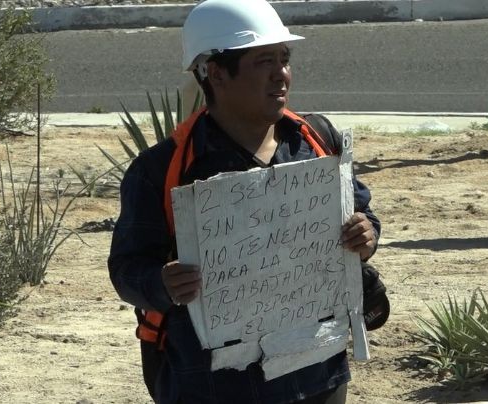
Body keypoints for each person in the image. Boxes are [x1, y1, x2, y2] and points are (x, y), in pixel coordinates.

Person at [108, 0, 381, 402]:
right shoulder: (161, 170)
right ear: (216, 73)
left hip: (317, 376)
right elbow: (126, 270)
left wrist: (367, 233)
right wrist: (162, 283)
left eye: (285, 59)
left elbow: (364, 217)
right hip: (213, 387)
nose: (281, 75)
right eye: (263, 61)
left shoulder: (318, 141)